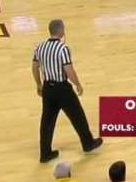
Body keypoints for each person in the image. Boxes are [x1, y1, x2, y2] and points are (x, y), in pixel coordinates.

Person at [32, 19, 103, 163]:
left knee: (47, 121)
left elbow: (34, 67)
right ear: (60, 31)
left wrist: (39, 84)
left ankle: (45, 153)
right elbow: (68, 70)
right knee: (77, 115)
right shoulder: (63, 49)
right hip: (62, 88)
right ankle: (88, 143)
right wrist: (78, 84)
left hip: (48, 88)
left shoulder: (39, 47)